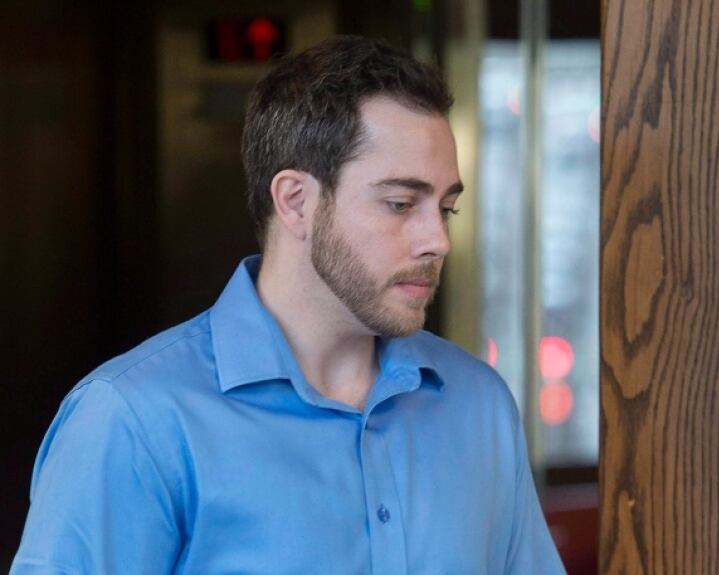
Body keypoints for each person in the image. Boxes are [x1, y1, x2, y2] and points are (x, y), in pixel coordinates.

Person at [12, 36, 564, 574]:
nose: (437, 241)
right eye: (400, 203)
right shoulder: (134, 421)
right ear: (296, 202)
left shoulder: (479, 405)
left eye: (446, 208)